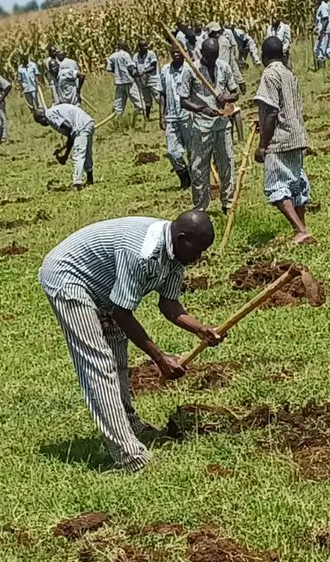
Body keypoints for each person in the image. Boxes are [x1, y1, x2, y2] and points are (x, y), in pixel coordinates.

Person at [38, 212, 223, 474]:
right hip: (69, 277)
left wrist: (201, 329)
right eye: (199, 250)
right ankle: (129, 456)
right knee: (99, 363)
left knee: (117, 353)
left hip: (105, 288)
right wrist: (159, 358)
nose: (200, 257)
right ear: (182, 239)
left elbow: (168, 304)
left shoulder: (176, 255)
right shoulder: (142, 253)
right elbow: (121, 312)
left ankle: (130, 423)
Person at [254, 36, 315, 247]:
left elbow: (272, 111)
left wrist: (263, 145)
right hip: (297, 136)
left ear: (264, 57)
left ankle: (299, 229)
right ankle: (302, 229)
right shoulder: (289, 73)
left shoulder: (269, 75)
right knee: (296, 185)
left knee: (276, 186)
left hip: (280, 139)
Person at [179, 36, 239, 213]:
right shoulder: (192, 70)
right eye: (209, 56)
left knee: (227, 164)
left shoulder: (224, 67)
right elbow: (183, 100)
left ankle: (227, 203)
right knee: (198, 168)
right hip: (201, 126)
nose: (212, 60)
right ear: (202, 53)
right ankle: (200, 207)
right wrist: (201, 109)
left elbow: (235, 93)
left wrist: (225, 98)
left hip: (222, 124)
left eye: (215, 56)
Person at [34, 102, 95, 189]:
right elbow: (71, 135)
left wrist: (65, 155)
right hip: (88, 122)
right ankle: (90, 179)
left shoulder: (49, 115)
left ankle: (77, 183)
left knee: (78, 154)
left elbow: (69, 128)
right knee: (87, 153)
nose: (42, 125)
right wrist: (65, 155)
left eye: (40, 122)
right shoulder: (54, 111)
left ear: (41, 117)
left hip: (80, 126)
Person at [157, 51, 191, 189]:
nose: (176, 54)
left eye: (179, 51)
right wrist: (161, 115)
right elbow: (162, 94)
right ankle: (184, 178)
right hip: (171, 117)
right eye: (173, 51)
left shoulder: (190, 69)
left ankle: (197, 180)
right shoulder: (165, 70)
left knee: (193, 152)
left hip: (188, 116)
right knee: (172, 152)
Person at [107, 43, 143, 118]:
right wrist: (136, 74)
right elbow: (130, 67)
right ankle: (136, 118)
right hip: (129, 81)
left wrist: (118, 71)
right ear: (124, 47)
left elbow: (110, 69)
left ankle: (117, 121)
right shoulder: (125, 55)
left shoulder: (112, 56)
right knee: (138, 103)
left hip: (119, 82)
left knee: (118, 106)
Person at [134, 40, 158, 120]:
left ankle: (164, 114)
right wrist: (135, 73)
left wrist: (144, 71)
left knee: (158, 97)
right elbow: (134, 67)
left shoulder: (151, 54)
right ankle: (147, 117)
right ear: (139, 48)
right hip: (142, 81)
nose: (145, 48)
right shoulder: (136, 56)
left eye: (146, 46)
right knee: (147, 100)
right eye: (143, 46)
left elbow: (153, 66)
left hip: (153, 80)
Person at [313, 0, 330, 68]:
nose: (315, 0)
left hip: (324, 31)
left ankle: (321, 68)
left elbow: (325, 19)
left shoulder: (323, 6)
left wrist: (321, 31)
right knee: (327, 48)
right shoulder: (321, 6)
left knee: (319, 48)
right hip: (325, 30)